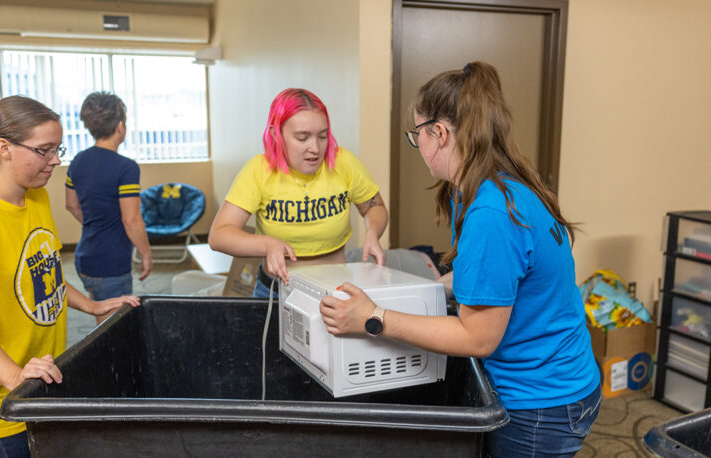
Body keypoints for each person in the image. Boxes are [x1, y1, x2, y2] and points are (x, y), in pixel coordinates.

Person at [319, 62, 601, 457]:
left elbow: (478, 338)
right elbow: (504, 275)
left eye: (418, 135)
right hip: (561, 375)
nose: (417, 147)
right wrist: (428, 288)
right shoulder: (486, 188)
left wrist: (374, 318)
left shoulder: (492, 213)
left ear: (440, 133)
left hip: (542, 400)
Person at [0, 96, 140, 458]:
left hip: (34, 381)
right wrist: (16, 379)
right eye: (44, 150)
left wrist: (91, 305)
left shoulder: (37, 197)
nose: (57, 160)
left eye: (57, 148)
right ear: (3, 148)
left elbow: (43, 272)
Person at [208, 88, 388, 298]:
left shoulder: (345, 163)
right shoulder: (258, 170)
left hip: (334, 289)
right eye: (303, 138)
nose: (315, 148)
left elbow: (375, 208)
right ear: (276, 134)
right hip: (275, 292)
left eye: (322, 136)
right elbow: (219, 235)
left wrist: (372, 233)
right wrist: (267, 244)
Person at [65, 92, 152, 324]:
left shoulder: (78, 161)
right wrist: (146, 253)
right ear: (120, 126)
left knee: (100, 315)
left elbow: (71, 206)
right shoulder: (126, 168)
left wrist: (98, 223)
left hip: (85, 258)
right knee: (113, 331)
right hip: (111, 263)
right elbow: (131, 220)